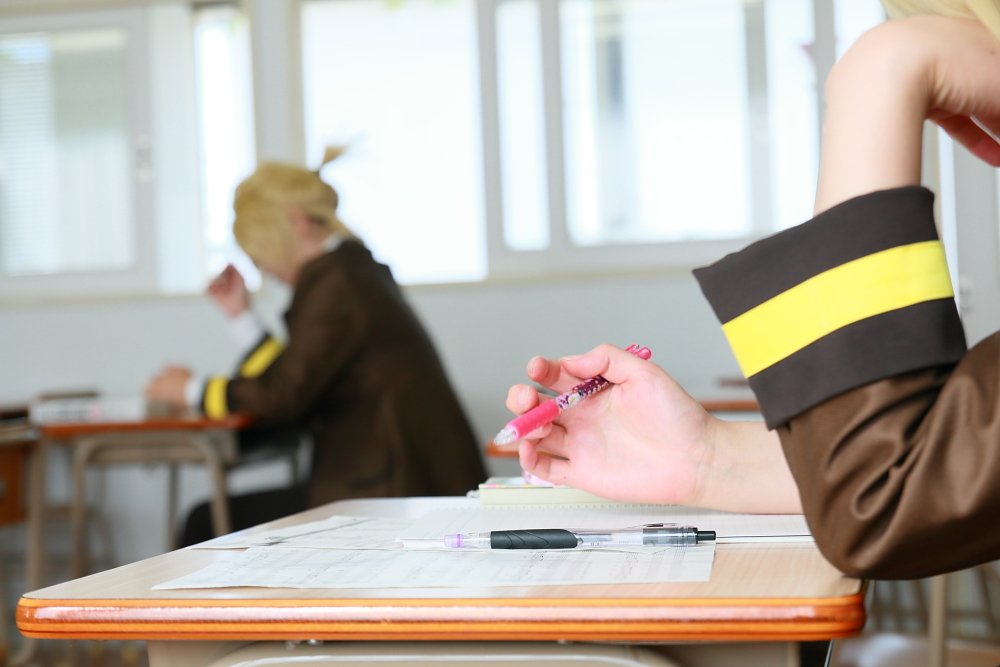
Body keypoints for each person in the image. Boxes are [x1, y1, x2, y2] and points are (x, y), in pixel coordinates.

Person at [506, 1, 1000, 580]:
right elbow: (937, 461)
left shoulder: (891, 55)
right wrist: (705, 456)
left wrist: (887, 66)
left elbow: (881, 501)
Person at [148, 148, 487, 543]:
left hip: (390, 490)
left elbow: (283, 393)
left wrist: (192, 390)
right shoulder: (351, 271)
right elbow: (299, 373)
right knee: (210, 519)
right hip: (398, 482)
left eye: (261, 252)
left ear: (297, 223)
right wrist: (242, 317)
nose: (262, 268)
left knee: (203, 523)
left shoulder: (337, 284)